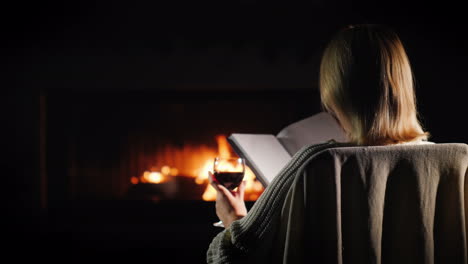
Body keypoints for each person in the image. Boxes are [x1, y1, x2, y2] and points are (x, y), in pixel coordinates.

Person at [206, 24, 431, 263]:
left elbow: (235, 257)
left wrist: (234, 216)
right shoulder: (456, 160)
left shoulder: (318, 161)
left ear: (335, 94)